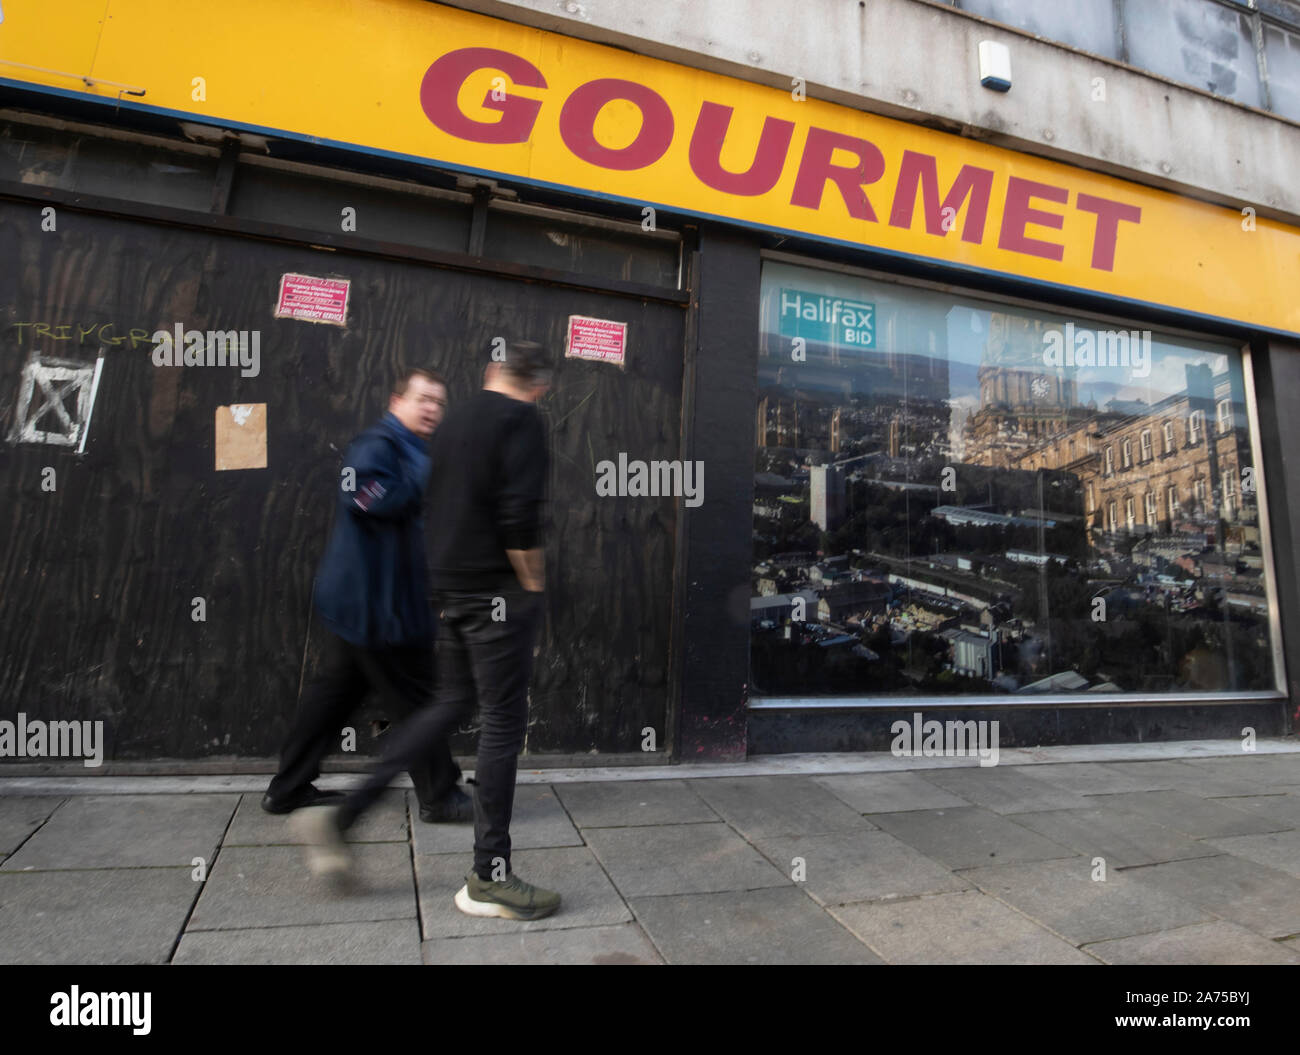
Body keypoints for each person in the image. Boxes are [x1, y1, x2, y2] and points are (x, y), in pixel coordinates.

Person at [295, 342, 559, 921]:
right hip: (495, 597)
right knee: (502, 725)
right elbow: (520, 520)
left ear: (494, 370)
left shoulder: (458, 419)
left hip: (454, 594)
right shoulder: (522, 421)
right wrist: (533, 591)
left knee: (448, 704)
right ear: (538, 385)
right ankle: (490, 875)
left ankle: (342, 816)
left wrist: (441, 590)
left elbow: (437, 509)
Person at [262, 367, 471, 825]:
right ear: (397, 402)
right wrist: (427, 482)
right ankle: (440, 795)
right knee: (417, 698)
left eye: (439, 401)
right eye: (423, 398)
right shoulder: (379, 445)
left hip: (373, 604)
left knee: (334, 694)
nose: (433, 408)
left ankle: (288, 788)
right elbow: (363, 497)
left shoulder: (415, 449)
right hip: (374, 606)